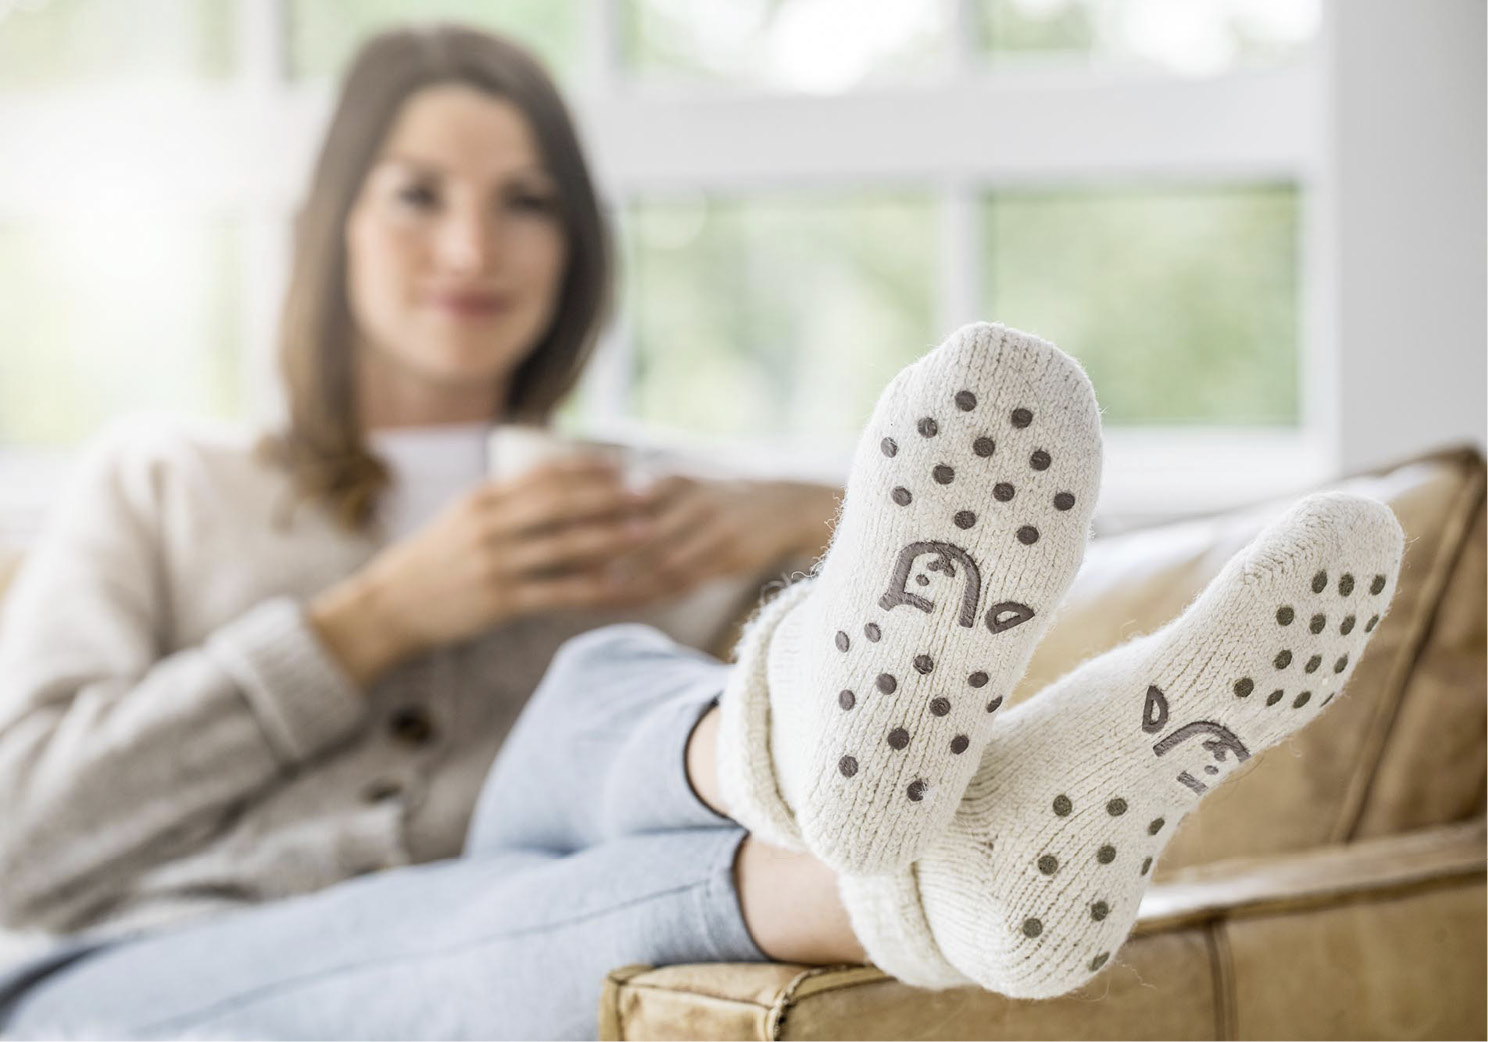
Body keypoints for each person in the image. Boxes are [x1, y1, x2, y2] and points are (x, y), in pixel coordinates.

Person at [0, 23, 1407, 1042]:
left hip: (529, 843)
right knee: (524, 914)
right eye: (418, 191)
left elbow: (1002, 598)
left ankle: (932, 833)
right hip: (159, 950)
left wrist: (802, 516)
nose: (473, 246)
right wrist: (371, 619)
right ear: (331, 224)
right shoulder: (165, 478)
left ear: (575, 247)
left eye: (526, 199)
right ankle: (947, 888)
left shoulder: (635, 495)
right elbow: (24, 833)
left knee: (604, 679)